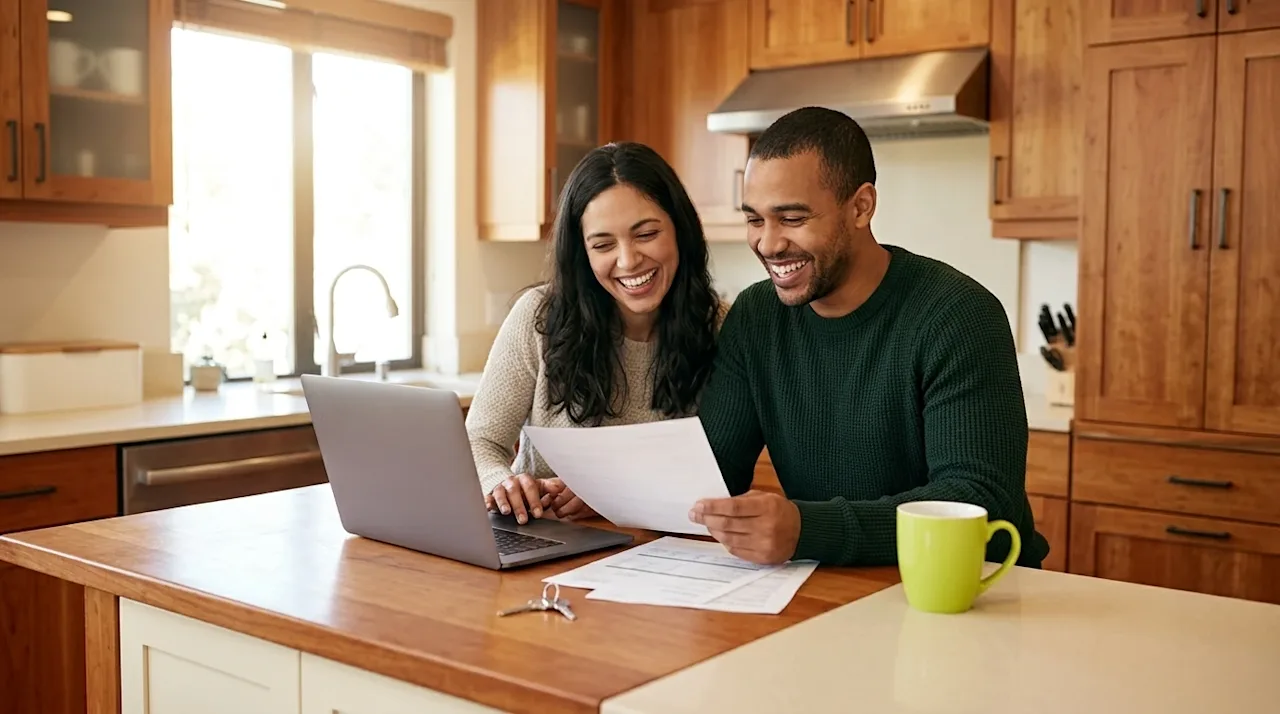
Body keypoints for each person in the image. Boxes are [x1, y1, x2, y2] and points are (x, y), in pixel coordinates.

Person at [688, 107, 1048, 568]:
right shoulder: (757, 316)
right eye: (755, 220)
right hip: (833, 584)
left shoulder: (959, 315)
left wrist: (808, 529)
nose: (768, 244)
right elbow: (712, 471)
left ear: (861, 206)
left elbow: (977, 500)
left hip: (970, 588)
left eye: (792, 218)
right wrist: (604, 492)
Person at [466, 142, 723, 525]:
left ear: (680, 230)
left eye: (646, 234)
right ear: (582, 253)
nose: (628, 260)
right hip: (540, 541)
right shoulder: (539, 318)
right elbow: (478, 442)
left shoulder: (719, 327)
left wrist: (611, 494)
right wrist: (501, 483)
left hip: (660, 552)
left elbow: (721, 470)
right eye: (603, 244)